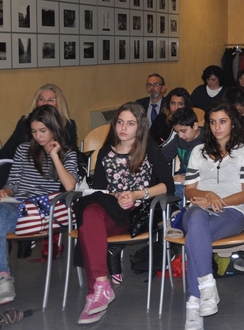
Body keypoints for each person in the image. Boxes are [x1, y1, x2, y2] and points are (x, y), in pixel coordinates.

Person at [73, 102, 173, 325]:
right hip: (110, 208)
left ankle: (96, 294)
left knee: (88, 223)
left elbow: (168, 185)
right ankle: (101, 285)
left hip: (135, 214)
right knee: (89, 211)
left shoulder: (149, 150)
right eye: (120, 122)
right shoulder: (105, 153)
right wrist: (116, 195)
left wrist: (137, 195)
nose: (123, 128)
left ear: (140, 126)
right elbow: (100, 189)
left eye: (130, 123)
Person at [0, 106, 78, 316]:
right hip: (16, 204)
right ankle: (0, 279)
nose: (38, 136)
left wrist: (54, 155)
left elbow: (70, 186)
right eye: (34, 131)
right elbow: (13, 182)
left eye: (42, 130)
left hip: (41, 210)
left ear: (53, 128)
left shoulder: (67, 153)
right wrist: (3, 192)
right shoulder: (23, 149)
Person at [182, 101, 244, 330]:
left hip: (231, 212)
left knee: (194, 237)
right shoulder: (198, 151)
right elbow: (189, 190)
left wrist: (218, 201)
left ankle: (193, 305)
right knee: (195, 221)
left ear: (232, 123)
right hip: (198, 209)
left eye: (222, 121)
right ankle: (206, 286)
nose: (217, 127)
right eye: (212, 122)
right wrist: (207, 194)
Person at [0, 84, 78, 191]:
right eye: (41, 99)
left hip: (52, 173)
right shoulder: (25, 122)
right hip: (24, 172)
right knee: (5, 170)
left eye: (51, 100)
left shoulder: (68, 125)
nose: (45, 103)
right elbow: (8, 150)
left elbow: (69, 153)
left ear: (59, 104)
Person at [163, 108, 204, 198]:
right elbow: (163, 156)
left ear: (195, 126)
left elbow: (211, 172)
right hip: (182, 176)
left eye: (183, 131)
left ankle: (182, 211)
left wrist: (187, 179)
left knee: (180, 190)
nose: (180, 135)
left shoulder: (207, 140)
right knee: (164, 188)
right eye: (177, 132)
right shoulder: (178, 139)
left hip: (201, 180)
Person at [135, 73, 168, 143]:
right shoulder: (140, 104)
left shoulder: (168, 105)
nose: (152, 88)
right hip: (143, 141)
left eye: (156, 85)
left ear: (163, 88)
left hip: (163, 141)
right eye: (149, 85)